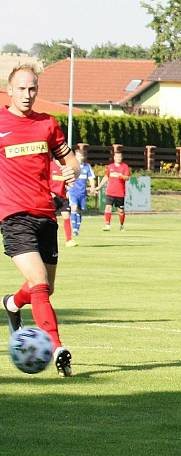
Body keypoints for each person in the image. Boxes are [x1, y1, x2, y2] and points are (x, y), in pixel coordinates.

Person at [0, 64, 79, 377]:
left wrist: (72, 170)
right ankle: (57, 347)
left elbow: (68, 158)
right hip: (13, 216)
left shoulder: (48, 124)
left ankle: (12, 303)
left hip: (45, 216)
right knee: (41, 284)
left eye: (32, 89)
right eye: (21, 89)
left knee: (45, 288)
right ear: (10, 90)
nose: (27, 95)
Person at [67, 148, 97, 239]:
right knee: (74, 208)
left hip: (82, 192)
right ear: (75, 156)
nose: (80, 157)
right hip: (73, 191)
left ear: (83, 157)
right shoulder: (72, 166)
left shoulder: (87, 167)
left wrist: (92, 187)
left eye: (81, 156)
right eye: (78, 155)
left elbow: (91, 178)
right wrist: (67, 188)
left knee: (79, 211)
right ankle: (74, 229)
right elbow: (67, 177)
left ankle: (77, 228)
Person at [96, 151, 130, 231]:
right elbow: (106, 177)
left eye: (119, 157)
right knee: (108, 207)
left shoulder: (124, 167)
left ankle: (121, 225)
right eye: (116, 157)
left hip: (120, 193)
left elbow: (127, 178)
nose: (118, 158)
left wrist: (120, 176)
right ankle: (107, 225)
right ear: (114, 158)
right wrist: (99, 186)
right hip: (110, 192)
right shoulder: (110, 167)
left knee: (120, 211)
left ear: (121, 158)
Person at [49, 159, 76, 247]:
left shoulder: (65, 167)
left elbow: (68, 182)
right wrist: (49, 192)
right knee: (50, 220)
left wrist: (68, 189)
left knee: (66, 216)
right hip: (52, 197)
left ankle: (69, 240)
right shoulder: (50, 165)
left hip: (63, 197)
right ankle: (49, 239)